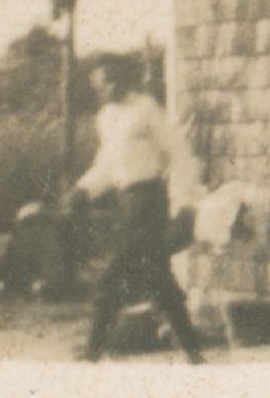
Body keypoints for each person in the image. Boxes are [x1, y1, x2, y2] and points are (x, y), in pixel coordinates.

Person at [70, 55, 206, 363]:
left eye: (116, 78)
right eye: (105, 82)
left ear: (125, 79)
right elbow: (107, 165)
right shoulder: (106, 118)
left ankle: (92, 353)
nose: (112, 86)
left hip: (149, 202)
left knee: (111, 276)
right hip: (126, 202)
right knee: (157, 277)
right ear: (97, 87)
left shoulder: (145, 109)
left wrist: (186, 202)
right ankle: (195, 353)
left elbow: (180, 154)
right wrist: (83, 189)